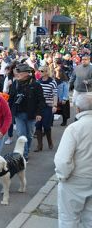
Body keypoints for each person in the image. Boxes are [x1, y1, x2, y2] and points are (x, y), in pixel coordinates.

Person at [54, 94, 92, 228]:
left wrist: (63, 176)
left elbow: (63, 160)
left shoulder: (74, 128)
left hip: (75, 179)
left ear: (78, 109)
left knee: (68, 218)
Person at [8, 63, 45, 161]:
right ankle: (24, 155)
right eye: (17, 71)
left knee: (29, 135)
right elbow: (10, 99)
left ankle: (26, 150)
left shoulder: (36, 84)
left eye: (19, 72)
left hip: (31, 115)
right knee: (21, 134)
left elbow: (41, 100)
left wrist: (39, 113)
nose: (17, 73)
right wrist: (9, 113)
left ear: (26, 73)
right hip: (18, 114)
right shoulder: (15, 84)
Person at [34, 65, 57, 152]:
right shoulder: (38, 82)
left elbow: (55, 94)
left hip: (48, 106)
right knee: (38, 126)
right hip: (39, 107)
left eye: (42, 71)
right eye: (39, 71)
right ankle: (39, 145)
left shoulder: (52, 82)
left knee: (46, 126)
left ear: (47, 72)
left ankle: (50, 142)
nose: (39, 73)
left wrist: (54, 105)